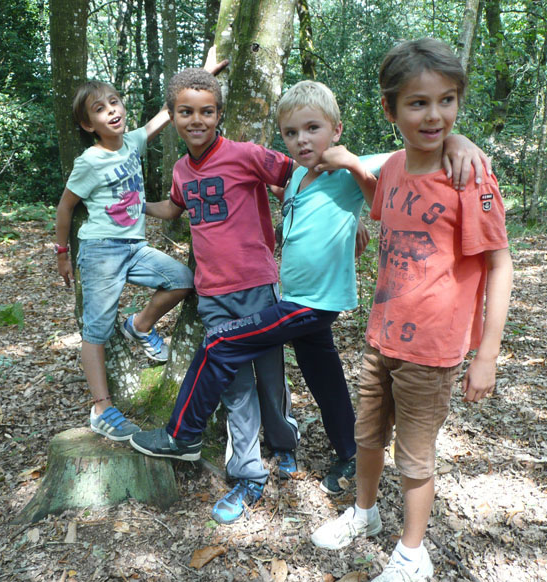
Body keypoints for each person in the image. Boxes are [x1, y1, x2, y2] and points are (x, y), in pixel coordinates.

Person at [130, 76, 492, 522]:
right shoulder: (297, 174)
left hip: (314, 301)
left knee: (221, 344)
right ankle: (345, 450)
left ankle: (182, 433)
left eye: (313, 129)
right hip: (293, 293)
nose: (303, 140)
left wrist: (458, 139)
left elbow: (413, 153)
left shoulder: (344, 165)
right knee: (324, 376)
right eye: (292, 133)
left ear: (335, 130)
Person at [309, 38, 513, 582]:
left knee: (415, 456)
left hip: (435, 347)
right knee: (367, 434)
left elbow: (499, 264)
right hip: (382, 335)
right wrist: (352, 164)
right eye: (418, 103)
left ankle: (411, 556)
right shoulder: (396, 165)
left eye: (447, 101)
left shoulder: (470, 176)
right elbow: (382, 202)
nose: (435, 115)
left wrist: (487, 354)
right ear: (390, 109)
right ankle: (365, 513)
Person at [134, 68, 302, 524]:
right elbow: (174, 207)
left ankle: (285, 443)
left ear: (219, 115)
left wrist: (319, 218)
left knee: (270, 375)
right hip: (212, 294)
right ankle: (248, 474)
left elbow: (296, 173)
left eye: (206, 112)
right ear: (172, 116)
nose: (196, 120)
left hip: (257, 286)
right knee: (234, 387)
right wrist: (135, 205)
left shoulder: (246, 155)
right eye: (185, 112)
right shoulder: (181, 169)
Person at [54, 52, 227, 442]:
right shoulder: (89, 161)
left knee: (184, 279)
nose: (112, 112)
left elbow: (166, 115)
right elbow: (65, 207)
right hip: (100, 251)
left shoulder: (131, 142)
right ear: (87, 124)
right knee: (95, 331)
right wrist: (62, 254)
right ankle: (102, 408)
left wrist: (204, 72)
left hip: (134, 246)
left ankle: (141, 325)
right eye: (100, 110)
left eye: (114, 102)